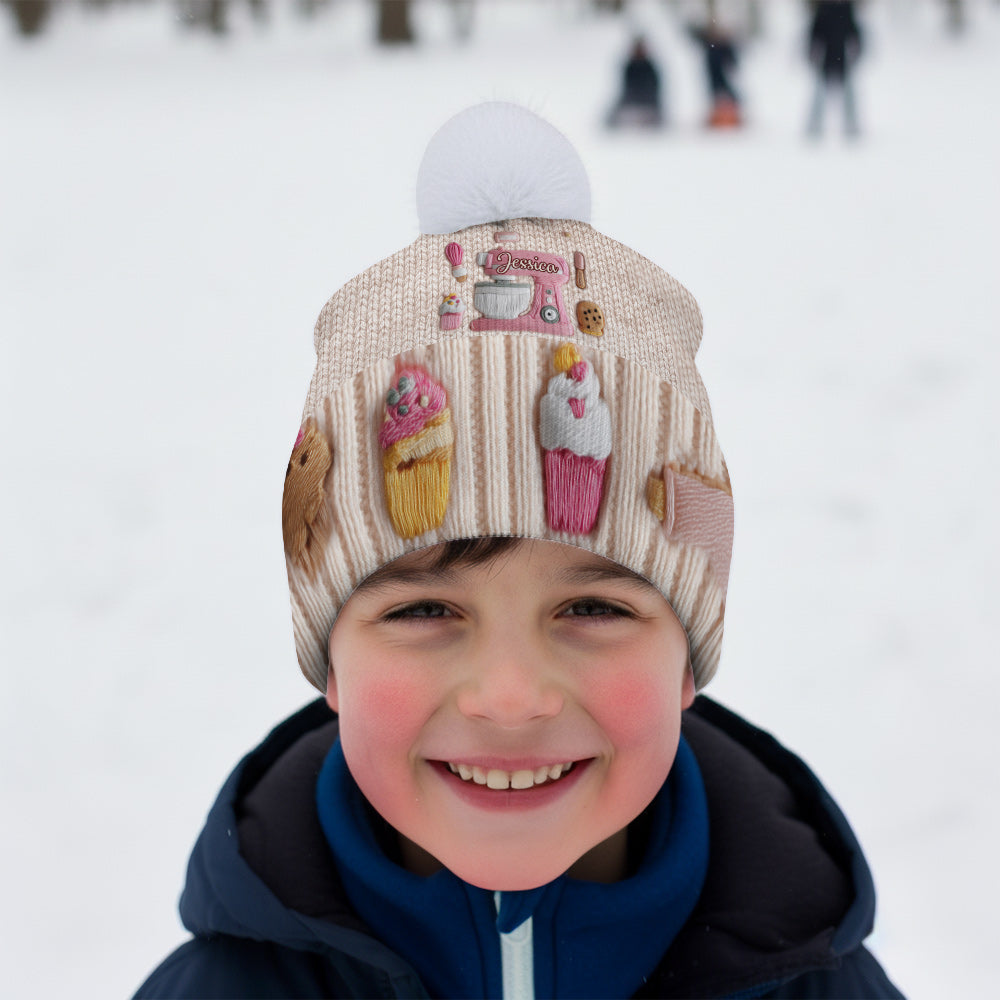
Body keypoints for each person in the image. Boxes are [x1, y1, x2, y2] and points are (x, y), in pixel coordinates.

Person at [134, 103, 903, 999]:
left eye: (592, 607)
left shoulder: (817, 985)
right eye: (424, 608)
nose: (510, 698)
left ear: (686, 660)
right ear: (328, 664)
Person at [806, 0, 864, 137]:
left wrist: (857, 50)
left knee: (849, 94)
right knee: (819, 94)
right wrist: (812, 52)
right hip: (825, 58)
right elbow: (814, 33)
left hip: (842, 58)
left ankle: (852, 125)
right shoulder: (823, 8)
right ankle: (814, 125)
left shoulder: (846, 8)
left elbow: (854, 31)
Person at [606, 36, 665, 128]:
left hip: (648, 105)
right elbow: (625, 88)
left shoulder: (650, 67)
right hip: (631, 104)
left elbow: (654, 89)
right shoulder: (629, 66)